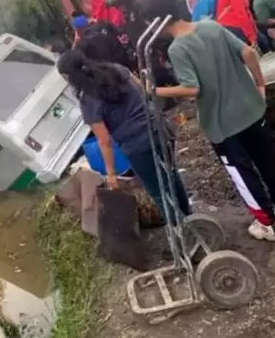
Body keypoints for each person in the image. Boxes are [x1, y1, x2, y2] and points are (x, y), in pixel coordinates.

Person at [144, 0, 275, 242]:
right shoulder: (210, 25)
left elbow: (192, 88)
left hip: (222, 125)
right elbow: (248, 54)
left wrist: (155, 90)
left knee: (243, 173)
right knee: (270, 162)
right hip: (251, 109)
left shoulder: (178, 48)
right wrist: (260, 86)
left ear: (159, 22)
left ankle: (268, 225)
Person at [56, 49, 191, 224]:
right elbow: (144, 90)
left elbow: (104, 141)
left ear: (68, 76)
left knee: (159, 190)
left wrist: (111, 175)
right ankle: (189, 217)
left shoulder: (88, 101)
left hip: (138, 146)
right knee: (171, 174)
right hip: (160, 129)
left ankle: (182, 232)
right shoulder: (115, 69)